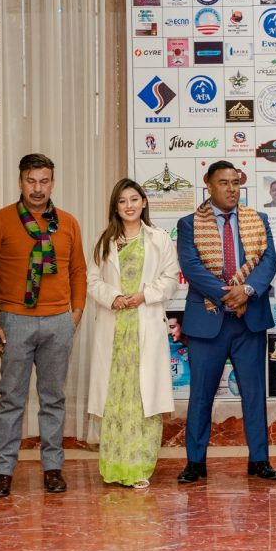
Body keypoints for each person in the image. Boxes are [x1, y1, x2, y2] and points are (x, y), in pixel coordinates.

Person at [0, 153, 87, 497]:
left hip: (59, 322)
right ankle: (3, 472)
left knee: (53, 399)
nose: (37, 189)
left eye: (44, 181)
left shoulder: (67, 223)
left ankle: (53, 468)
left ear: (52, 183)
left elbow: (78, 271)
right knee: (11, 399)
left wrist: (75, 313)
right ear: (20, 182)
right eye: (31, 181)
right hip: (15, 321)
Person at [175, 161, 276, 482]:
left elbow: (268, 261)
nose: (232, 189)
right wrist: (228, 295)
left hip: (249, 321)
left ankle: (259, 460)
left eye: (235, 182)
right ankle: (195, 462)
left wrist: (246, 290)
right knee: (201, 396)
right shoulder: (189, 224)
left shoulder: (257, 220)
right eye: (224, 183)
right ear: (208, 184)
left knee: (254, 395)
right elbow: (191, 267)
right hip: (208, 322)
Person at [86, 179, 180, 489]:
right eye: (122, 201)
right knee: (115, 398)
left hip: (145, 323)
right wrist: (113, 297)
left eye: (134, 199)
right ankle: (114, 466)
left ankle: (140, 467)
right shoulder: (105, 241)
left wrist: (143, 296)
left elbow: (170, 279)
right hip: (114, 329)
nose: (129, 205)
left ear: (144, 202)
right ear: (115, 207)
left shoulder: (159, 239)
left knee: (143, 400)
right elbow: (93, 281)